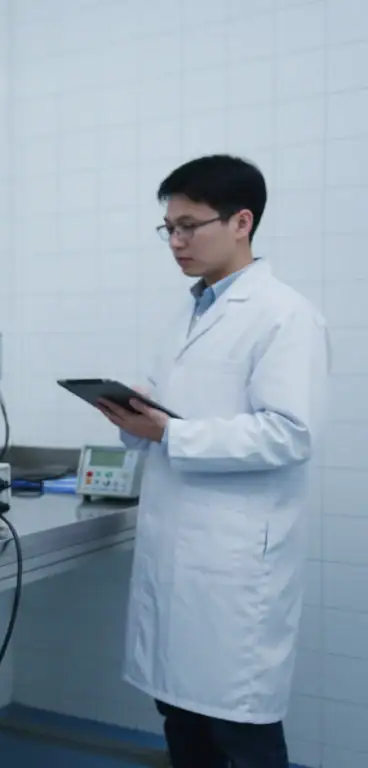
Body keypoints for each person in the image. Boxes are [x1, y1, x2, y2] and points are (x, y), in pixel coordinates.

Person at [95, 154, 329, 768]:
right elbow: (176, 411)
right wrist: (135, 418)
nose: (176, 242)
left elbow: (288, 434)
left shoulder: (285, 315)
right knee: (182, 721)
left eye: (189, 226)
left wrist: (172, 433)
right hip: (178, 555)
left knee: (243, 733)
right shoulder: (189, 312)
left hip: (233, 569)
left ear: (241, 222)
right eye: (168, 228)